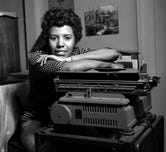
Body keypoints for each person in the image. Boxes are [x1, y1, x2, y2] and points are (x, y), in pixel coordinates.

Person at [19, 7, 123, 152]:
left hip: (68, 115)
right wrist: (101, 64)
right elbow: (69, 68)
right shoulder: (38, 58)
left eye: (67, 38)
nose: (60, 44)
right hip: (37, 120)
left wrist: (71, 57)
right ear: (47, 39)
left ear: (76, 39)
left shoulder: (76, 52)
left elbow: (113, 53)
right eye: (54, 38)